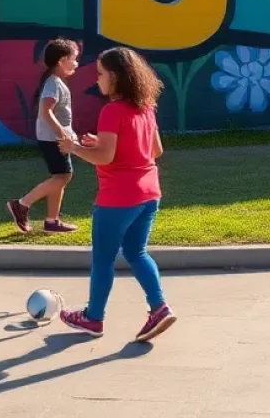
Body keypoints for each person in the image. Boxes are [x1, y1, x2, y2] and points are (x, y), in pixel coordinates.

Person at [58, 46, 175, 342]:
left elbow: (105, 158)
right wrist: (102, 142)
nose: (97, 80)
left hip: (118, 199)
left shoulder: (111, 111)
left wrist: (76, 148)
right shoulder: (145, 107)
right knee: (137, 252)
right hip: (149, 193)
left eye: (100, 74)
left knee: (103, 260)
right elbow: (155, 150)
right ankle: (159, 307)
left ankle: (93, 318)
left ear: (116, 76)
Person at [6, 38, 81, 234]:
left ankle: (52, 221)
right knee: (64, 176)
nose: (76, 63)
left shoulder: (55, 82)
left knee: (60, 176)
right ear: (62, 60)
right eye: (74, 59)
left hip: (53, 137)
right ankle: (21, 204)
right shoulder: (54, 83)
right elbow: (45, 110)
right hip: (53, 138)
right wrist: (62, 135)